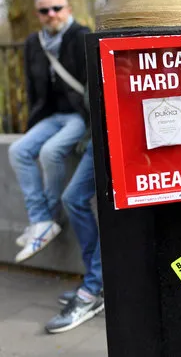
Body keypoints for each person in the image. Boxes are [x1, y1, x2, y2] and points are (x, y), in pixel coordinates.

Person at [9, 0, 90, 263]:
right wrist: (32, 125)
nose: (51, 14)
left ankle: (49, 217)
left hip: (79, 116)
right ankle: (41, 220)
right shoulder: (34, 43)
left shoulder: (81, 37)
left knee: (50, 152)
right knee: (18, 150)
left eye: (56, 8)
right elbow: (33, 90)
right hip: (51, 117)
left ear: (68, 9)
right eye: (45, 10)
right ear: (38, 15)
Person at [45, 88, 103, 334]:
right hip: (98, 135)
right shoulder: (86, 47)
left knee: (115, 210)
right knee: (73, 198)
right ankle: (95, 280)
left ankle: (93, 289)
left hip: (128, 131)